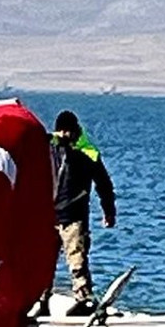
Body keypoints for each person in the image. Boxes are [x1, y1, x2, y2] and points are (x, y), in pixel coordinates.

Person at [48, 110, 117, 315]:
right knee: (43, 261)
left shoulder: (88, 152)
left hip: (74, 215)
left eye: (68, 131)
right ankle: (41, 299)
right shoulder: (50, 147)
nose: (65, 135)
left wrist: (109, 211)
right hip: (49, 215)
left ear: (75, 130)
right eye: (61, 131)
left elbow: (104, 184)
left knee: (76, 259)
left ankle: (84, 299)